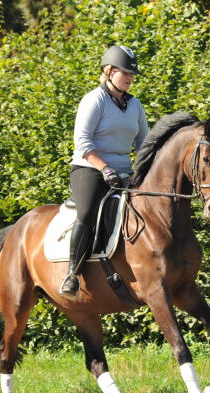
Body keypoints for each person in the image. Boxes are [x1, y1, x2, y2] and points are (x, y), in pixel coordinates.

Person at [59, 45, 148, 297]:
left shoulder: (135, 105)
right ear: (109, 72)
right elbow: (83, 143)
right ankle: (72, 273)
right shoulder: (94, 100)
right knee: (87, 212)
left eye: (132, 74)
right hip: (90, 169)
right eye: (125, 73)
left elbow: (144, 144)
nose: (130, 78)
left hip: (124, 172)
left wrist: (145, 169)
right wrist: (105, 168)